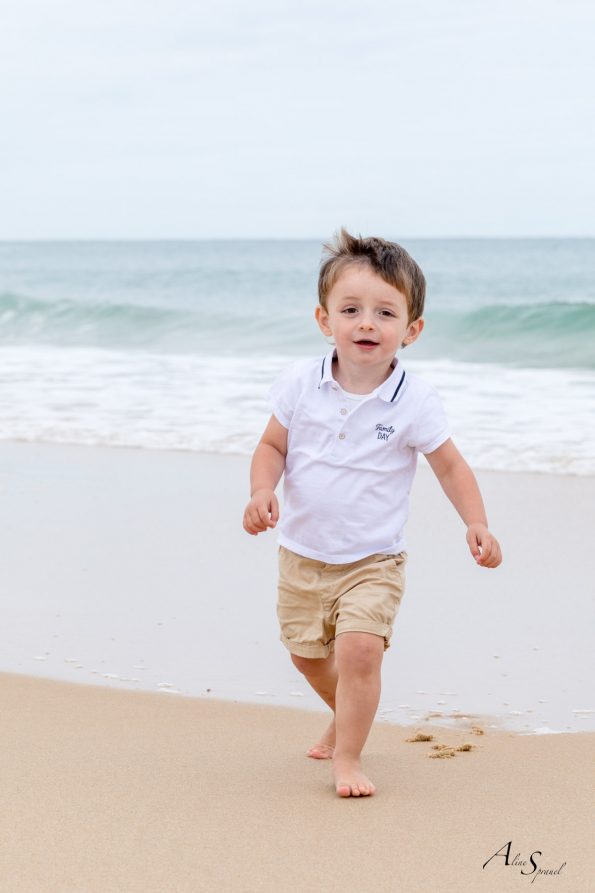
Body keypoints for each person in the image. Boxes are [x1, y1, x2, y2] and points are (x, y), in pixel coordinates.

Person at [242, 228, 502, 798]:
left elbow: (450, 467)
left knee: (360, 651)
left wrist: (476, 521)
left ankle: (349, 757)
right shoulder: (300, 384)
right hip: (302, 555)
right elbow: (271, 447)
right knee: (307, 658)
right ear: (324, 319)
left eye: (385, 312)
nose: (367, 323)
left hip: (373, 560)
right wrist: (262, 490)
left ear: (411, 330)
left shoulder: (415, 400)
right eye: (351, 310)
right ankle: (346, 713)